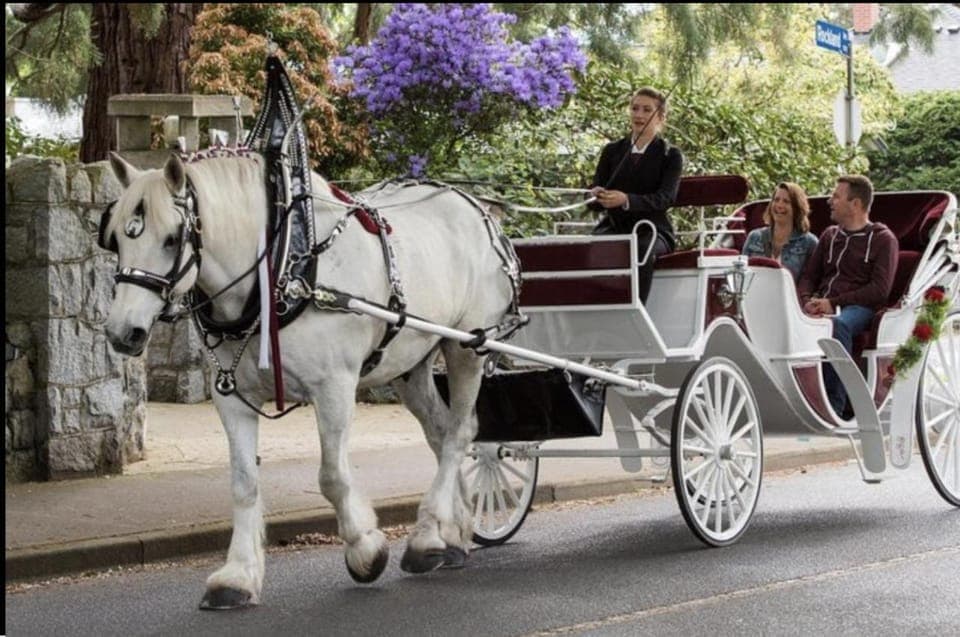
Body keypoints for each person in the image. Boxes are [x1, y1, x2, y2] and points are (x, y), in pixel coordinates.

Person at [797, 175, 898, 418]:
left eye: (836, 196)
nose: (830, 201)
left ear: (855, 204)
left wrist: (833, 303)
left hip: (859, 308)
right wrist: (806, 300)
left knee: (838, 325)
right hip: (823, 301)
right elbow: (809, 276)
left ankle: (835, 405)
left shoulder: (883, 239)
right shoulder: (830, 235)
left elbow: (879, 290)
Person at [588, 86, 684, 303]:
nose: (639, 115)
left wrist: (627, 200)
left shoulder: (670, 155)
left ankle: (634, 309)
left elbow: (665, 198)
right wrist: (596, 195)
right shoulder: (612, 151)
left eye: (647, 110)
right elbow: (595, 197)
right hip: (614, 227)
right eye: (635, 108)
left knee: (640, 251)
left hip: (652, 231)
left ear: (661, 117)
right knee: (592, 249)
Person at [742, 182, 818, 282]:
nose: (779, 205)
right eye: (776, 200)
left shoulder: (809, 243)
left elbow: (811, 282)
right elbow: (742, 275)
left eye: (786, 202)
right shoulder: (754, 237)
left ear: (797, 208)